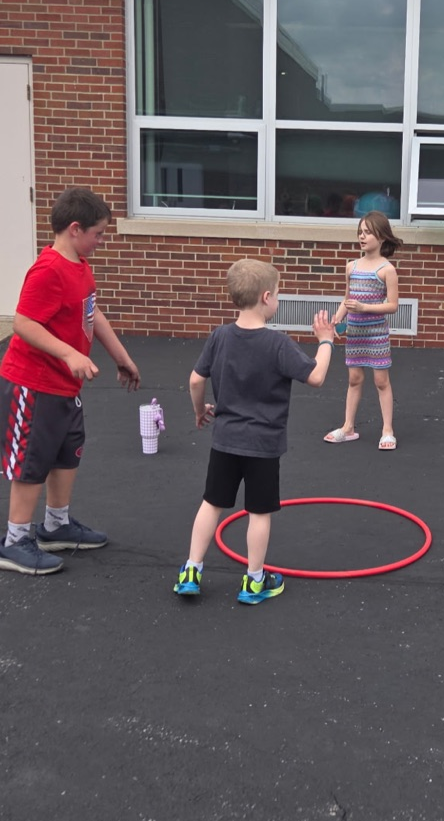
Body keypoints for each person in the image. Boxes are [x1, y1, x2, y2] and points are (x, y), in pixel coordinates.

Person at [174, 259, 335, 604]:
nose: (278, 299)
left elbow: (194, 380)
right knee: (259, 512)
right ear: (266, 297)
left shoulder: (219, 336)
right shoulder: (277, 344)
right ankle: (254, 581)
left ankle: (191, 569)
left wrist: (199, 410)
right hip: (263, 445)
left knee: (212, 503)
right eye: (277, 293)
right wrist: (325, 341)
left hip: (226, 440)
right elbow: (317, 377)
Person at [0, 188, 141, 576]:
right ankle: (14, 541)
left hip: (63, 386)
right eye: (98, 233)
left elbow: (90, 314)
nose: (101, 240)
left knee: (67, 452)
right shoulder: (48, 270)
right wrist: (69, 353)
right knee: (33, 461)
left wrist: (120, 356)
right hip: (33, 383)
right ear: (75, 229)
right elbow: (24, 323)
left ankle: (55, 525)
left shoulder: (79, 263)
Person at [324, 210, 402, 450]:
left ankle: (387, 430)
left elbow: (393, 305)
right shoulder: (351, 267)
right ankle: (348, 427)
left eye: (368, 232)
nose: (362, 236)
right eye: (360, 231)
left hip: (376, 334)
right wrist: (337, 319)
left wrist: (364, 306)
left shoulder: (387, 269)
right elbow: (347, 299)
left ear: (382, 237)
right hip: (356, 332)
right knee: (354, 378)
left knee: (381, 380)